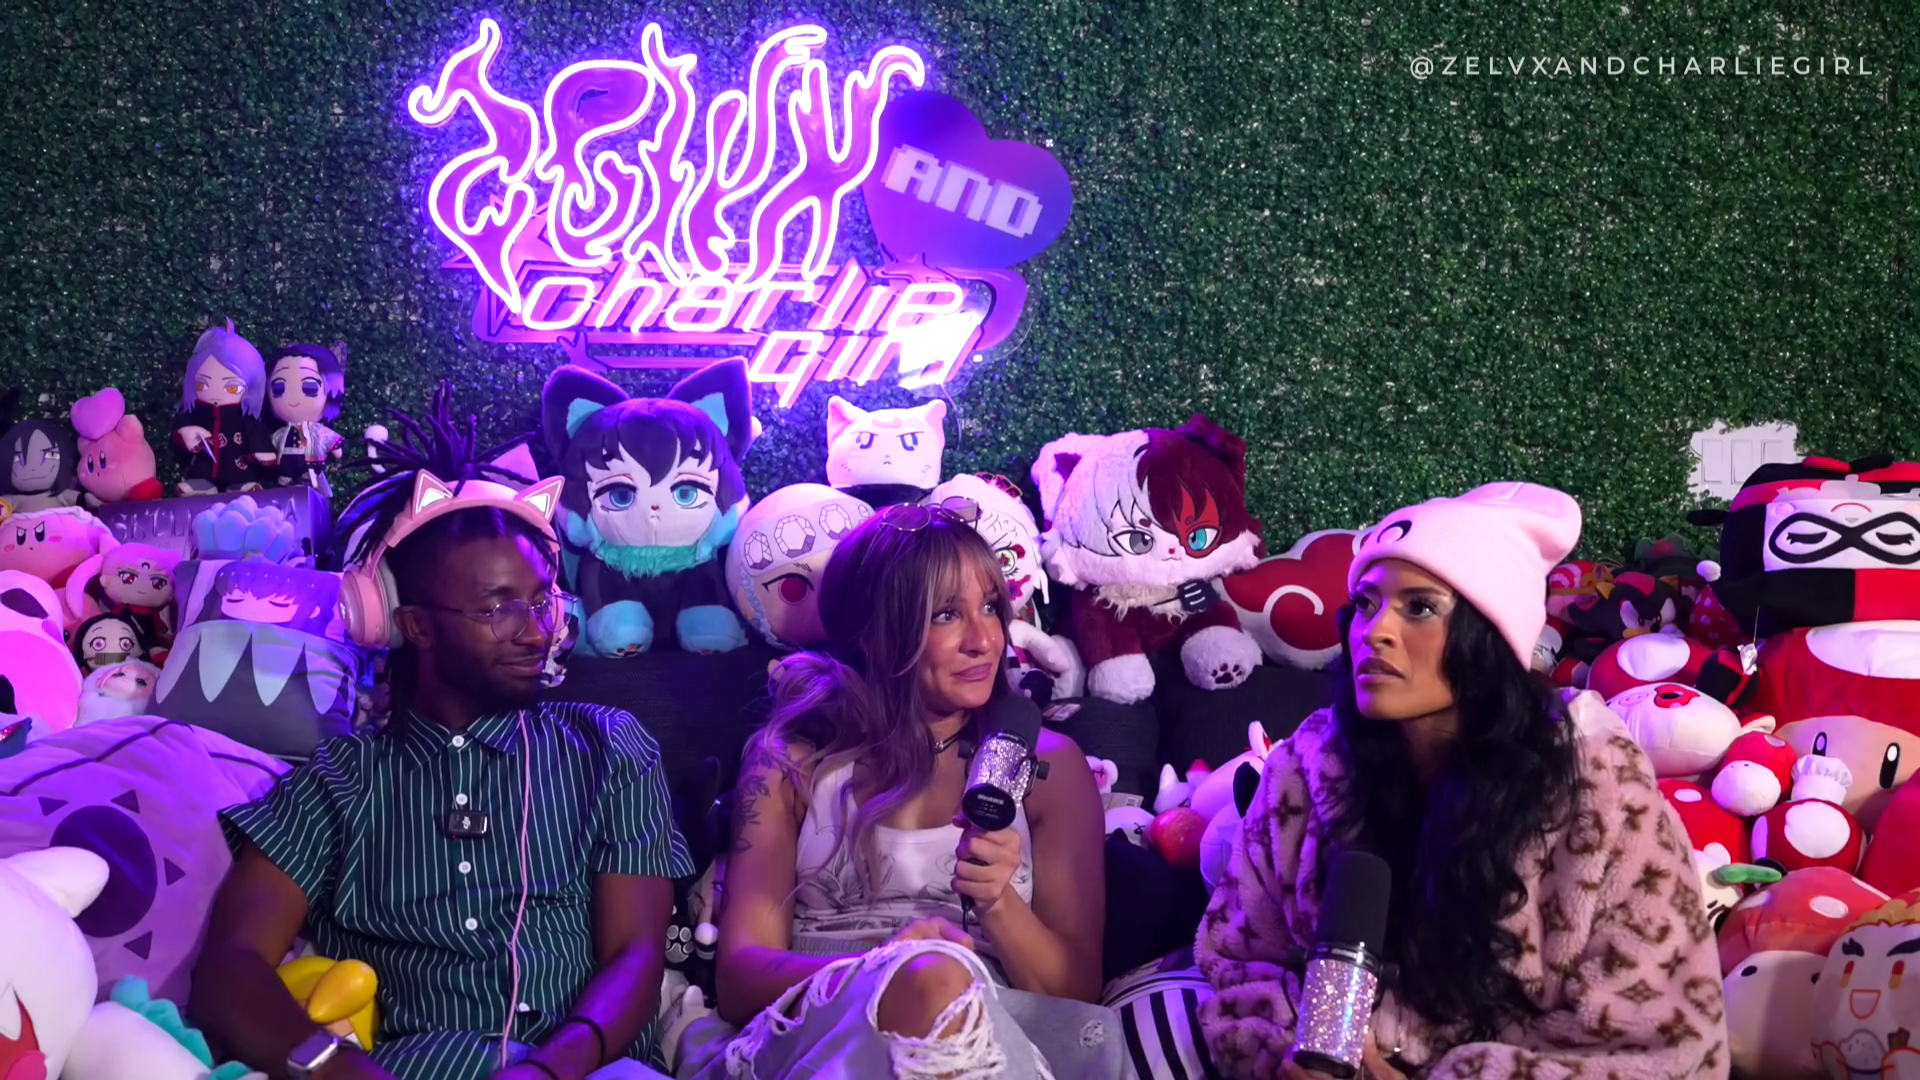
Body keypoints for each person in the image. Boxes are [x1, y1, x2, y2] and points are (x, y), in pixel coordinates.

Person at [1197, 483, 1728, 1080]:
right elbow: (1236, 961)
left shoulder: (1599, 794)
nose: (1375, 631)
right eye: (1366, 603)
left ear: (1489, 633)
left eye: (1420, 607)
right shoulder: (1305, 767)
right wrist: (1294, 1054)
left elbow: (1669, 1049)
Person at [190, 492, 690, 1080]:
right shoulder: (337, 782)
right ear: (416, 626)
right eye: (497, 609)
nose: (537, 634)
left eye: (541, 603)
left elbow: (636, 955)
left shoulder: (609, 747)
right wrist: (334, 1068)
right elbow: (230, 967)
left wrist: (549, 1070)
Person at [674, 501, 1125, 1079]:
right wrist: (891, 970)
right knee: (931, 977)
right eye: (946, 614)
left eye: (991, 607)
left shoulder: (1049, 768)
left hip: (996, 1040)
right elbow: (740, 979)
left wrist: (997, 902)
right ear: (874, 633)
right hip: (826, 1031)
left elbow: (1075, 990)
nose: (984, 640)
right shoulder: (789, 762)